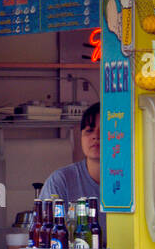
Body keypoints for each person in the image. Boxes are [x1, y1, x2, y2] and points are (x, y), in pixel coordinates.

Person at [39, 102, 106, 239]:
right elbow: (44, 238)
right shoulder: (60, 181)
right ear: (80, 136)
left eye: (105, 130)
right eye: (89, 130)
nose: (96, 136)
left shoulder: (133, 181)